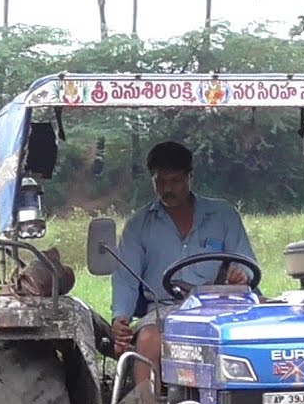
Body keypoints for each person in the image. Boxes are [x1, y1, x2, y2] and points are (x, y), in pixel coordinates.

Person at [110, 140, 257, 389]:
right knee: (147, 339)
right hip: (165, 309)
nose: (167, 189)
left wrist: (240, 276)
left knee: (251, 339)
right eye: (160, 182)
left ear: (190, 177)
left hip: (219, 306)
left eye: (175, 181)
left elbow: (247, 264)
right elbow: (126, 278)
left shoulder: (223, 215)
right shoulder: (139, 226)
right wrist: (119, 319)